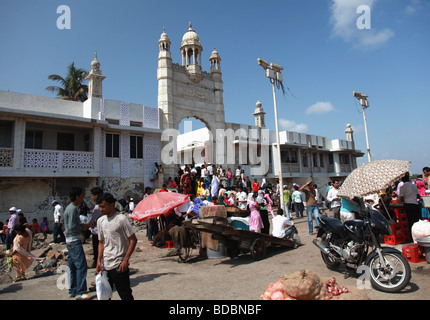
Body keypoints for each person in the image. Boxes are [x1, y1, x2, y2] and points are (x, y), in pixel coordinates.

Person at [96, 193, 137, 300]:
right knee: (104, 296)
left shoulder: (121, 219)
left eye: (103, 206)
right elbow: (101, 242)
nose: (101, 209)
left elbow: (133, 239)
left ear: (112, 205)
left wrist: (125, 260)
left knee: (125, 295)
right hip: (105, 265)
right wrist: (99, 261)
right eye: (99, 207)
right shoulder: (101, 221)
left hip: (119, 264)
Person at [64, 187, 88, 300]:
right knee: (81, 266)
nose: (83, 198)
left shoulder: (69, 208)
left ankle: (72, 289)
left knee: (72, 266)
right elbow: (72, 226)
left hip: (69, 240)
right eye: (82, 196)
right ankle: (80, 291)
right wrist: (82, 227)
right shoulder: (73, 209)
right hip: (74, 240)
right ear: (77, 196)